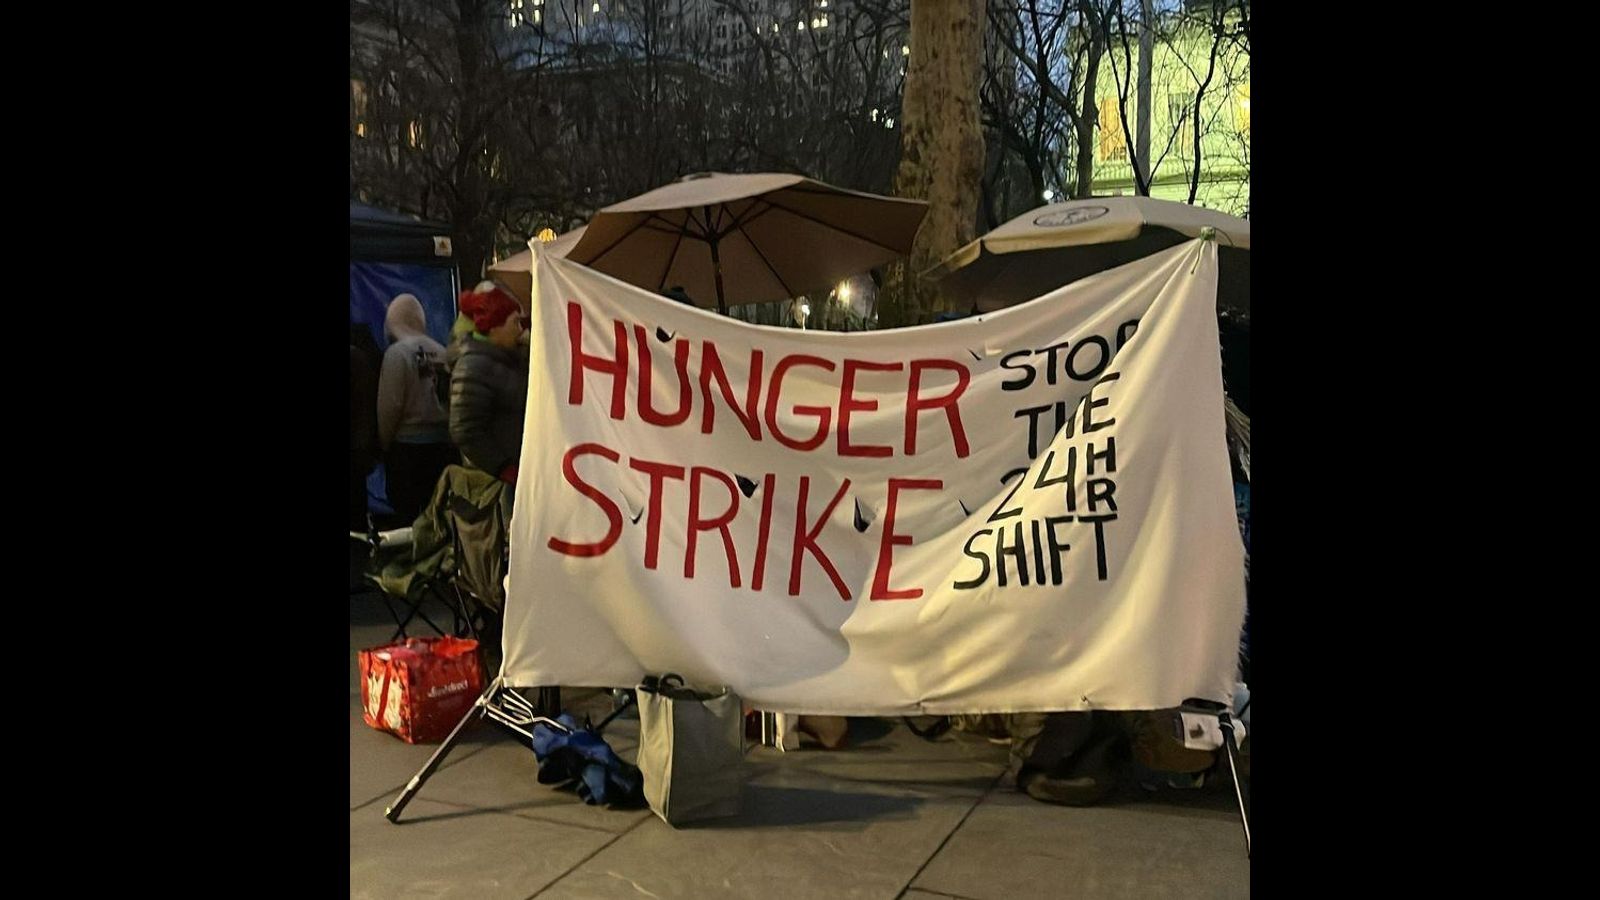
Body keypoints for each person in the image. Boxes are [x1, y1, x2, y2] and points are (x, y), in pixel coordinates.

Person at [376, 294, 455, 523]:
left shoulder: (396, 354)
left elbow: (390, 406)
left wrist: (385, 443)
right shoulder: (442, 352)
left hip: (407, 451)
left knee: (407, 516)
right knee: (439, 516)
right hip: (443, 448)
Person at [449, 281, 529, 489]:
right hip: (492, 482)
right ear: (494, 326)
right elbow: (464, 429)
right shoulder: (472, 367)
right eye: (515, 323)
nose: (520, 330)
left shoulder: (511, 360)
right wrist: (503, 468)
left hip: (515, 474)